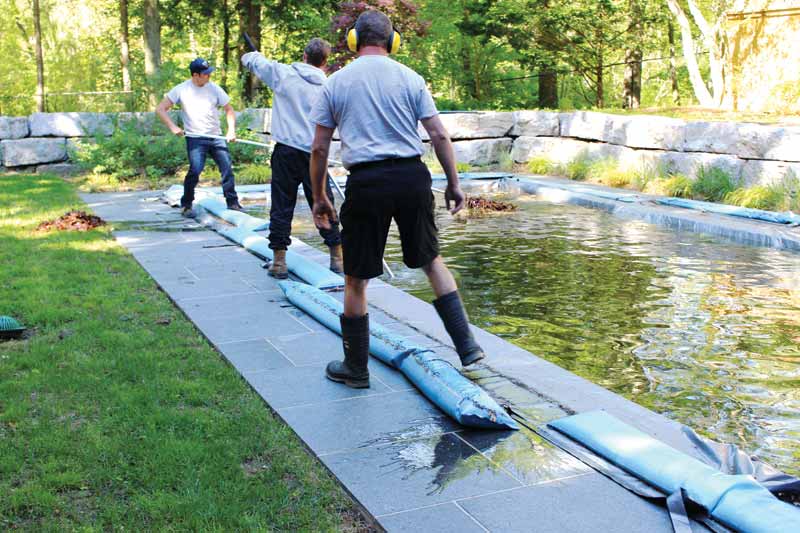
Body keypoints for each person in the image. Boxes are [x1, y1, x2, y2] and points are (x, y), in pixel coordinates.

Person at [309, 10, 485, 389]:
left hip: (367, 183)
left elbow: (320, 148)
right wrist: (454, 183)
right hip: (411, 179)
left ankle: (356, 369)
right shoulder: (411, 77)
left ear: (354, 41)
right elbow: (438, 135)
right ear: (393, 42)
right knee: (431, 260)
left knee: (356, 279)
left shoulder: (336, 82)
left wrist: (320, 196)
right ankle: (467, 346)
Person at [241, 39, 343, 277]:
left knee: (281, 206)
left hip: (285, 151)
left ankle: (279, 262)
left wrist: (255, 54)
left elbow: (250, 60)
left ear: (304, 56)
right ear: (325, 62)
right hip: (314, 154)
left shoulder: (283, 74)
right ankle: (337, 258)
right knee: (324, 203)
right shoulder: (329, 87)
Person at [156, 58, 243, 218]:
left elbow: (229, 110)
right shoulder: (181, 90)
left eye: (209, 74)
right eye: (205, 74)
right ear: (195, 75)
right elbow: (161, 109)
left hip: (215, 136)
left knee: (227, 169)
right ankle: (187, 204)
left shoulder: (214, 89)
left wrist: (231, 131)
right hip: (195, 138)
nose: (208, 77)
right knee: (195, 171)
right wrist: (173, 127)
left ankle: (233, 202)